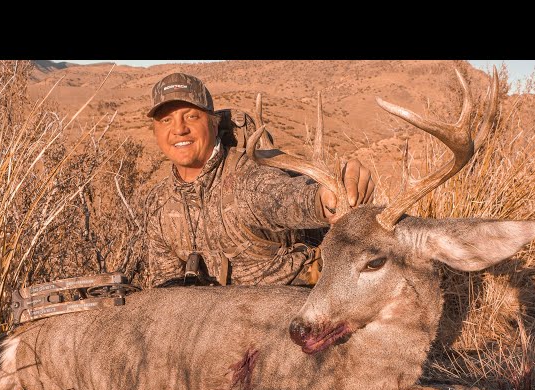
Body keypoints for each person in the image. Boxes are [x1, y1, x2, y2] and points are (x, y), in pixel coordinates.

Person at [144, 72, 374, 288]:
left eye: (191, 116)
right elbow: (166, 287)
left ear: (214, 124)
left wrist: (324, 200)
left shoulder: (246, 179)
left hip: (290, 306)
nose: (179, 129)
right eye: (166, 120)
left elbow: (283, 197)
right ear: (155, 132)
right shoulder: (158, 203)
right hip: (211, 321)